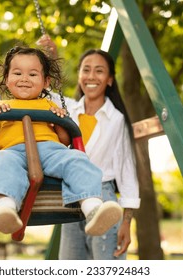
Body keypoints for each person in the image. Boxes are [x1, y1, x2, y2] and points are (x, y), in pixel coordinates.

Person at [0, 46, 123, 237]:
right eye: (17, 73)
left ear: (45, 81)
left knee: (76, 159)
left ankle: (93, 208)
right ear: (6, 79)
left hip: (50, 151)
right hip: (11, 153)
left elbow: (65, 140)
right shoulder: (2, 107)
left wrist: (60, 120)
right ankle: (5, 209)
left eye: (32, 74)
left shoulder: (50, 105)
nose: (24, 78)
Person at [37, 35, 141, 260]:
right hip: (71, 199)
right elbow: (43, 92)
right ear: (79, 76)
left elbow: (127, 171)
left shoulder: (116, 120)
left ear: (110, 80)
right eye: (86, 70)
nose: (91, 76)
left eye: (99, 71)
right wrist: (50, 58)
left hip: (102, 198)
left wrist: (127, 221)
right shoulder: (69, 110)